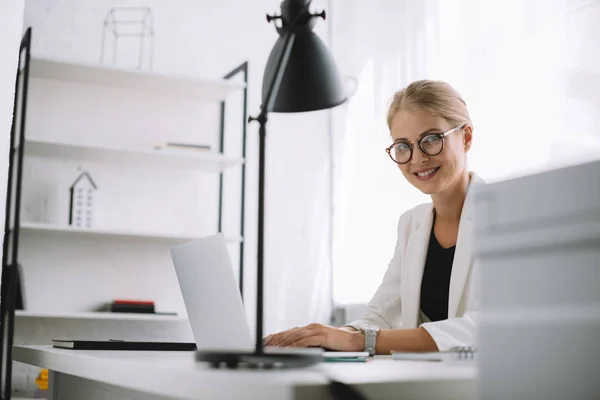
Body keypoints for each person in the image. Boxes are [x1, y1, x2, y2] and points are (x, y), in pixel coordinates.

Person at [264, 80, 483, 354]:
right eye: (403, 146)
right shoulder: (411, 224)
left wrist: (357, 340)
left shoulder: (509, 216)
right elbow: (380, 317)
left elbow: (484, 327)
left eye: (431, 139)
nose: (417, 159)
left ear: (466, 137)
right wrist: (326, 337)